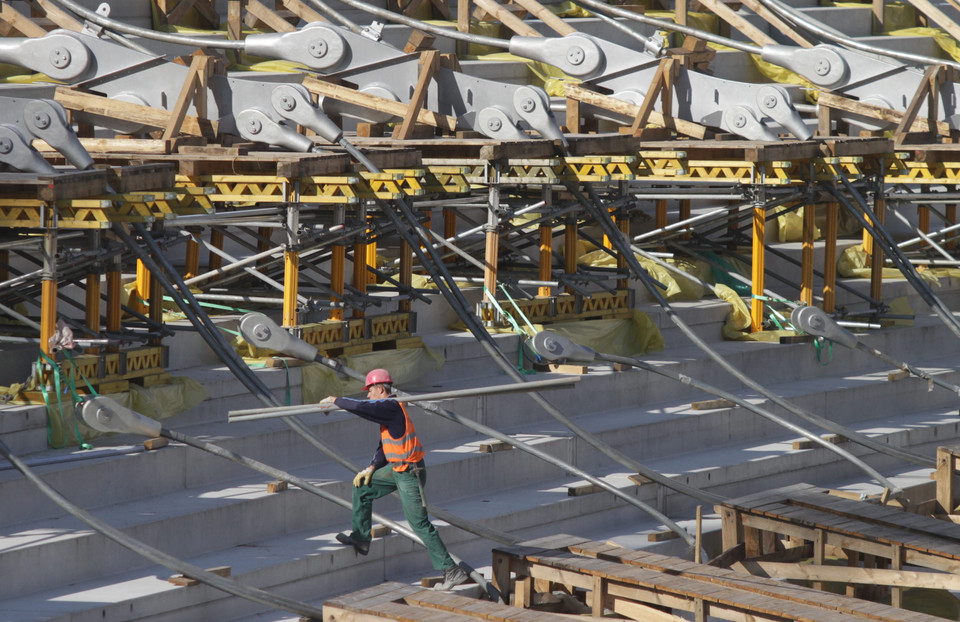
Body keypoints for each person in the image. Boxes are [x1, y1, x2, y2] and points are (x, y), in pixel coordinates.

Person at [319, 368, 469, 591]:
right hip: (398, 469)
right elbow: (385, 444)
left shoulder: (389, 406)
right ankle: (361, 538)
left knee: (419, 523)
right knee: (363, 487)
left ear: (380, 389)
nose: (368, 395)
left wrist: (335, 400)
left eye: (369, 391)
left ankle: (451, 569)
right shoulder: (390, 410)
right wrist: (372, 467)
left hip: (410, 473)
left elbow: (361, 407)